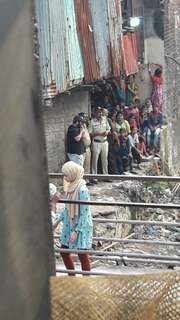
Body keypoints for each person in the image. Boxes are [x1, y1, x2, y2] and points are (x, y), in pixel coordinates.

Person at [56, 161, 93, 276]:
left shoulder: (82, 190)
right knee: (64, 251)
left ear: (72, 174)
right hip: (69, 224)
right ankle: (72, 277)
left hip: (80, 226)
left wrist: (76, 231)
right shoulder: (71, 187)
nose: (64, 177)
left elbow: (84, 214)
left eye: (66, 175)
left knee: (82, 254)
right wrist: (57, 220)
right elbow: (67, 209)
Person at [89, 106, 110, 179]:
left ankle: (105, 176)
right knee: (95, 160)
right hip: (96, 142)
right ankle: (94, 177)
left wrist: (106, 132)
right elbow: (90, 134)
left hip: (104, 142)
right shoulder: (92, 121)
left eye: (101, 112)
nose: (100, 113)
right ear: (95, 113)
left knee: (105, 159)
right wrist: (98, 133)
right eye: (98, 112)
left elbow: (108, 129)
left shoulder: (105, 119)